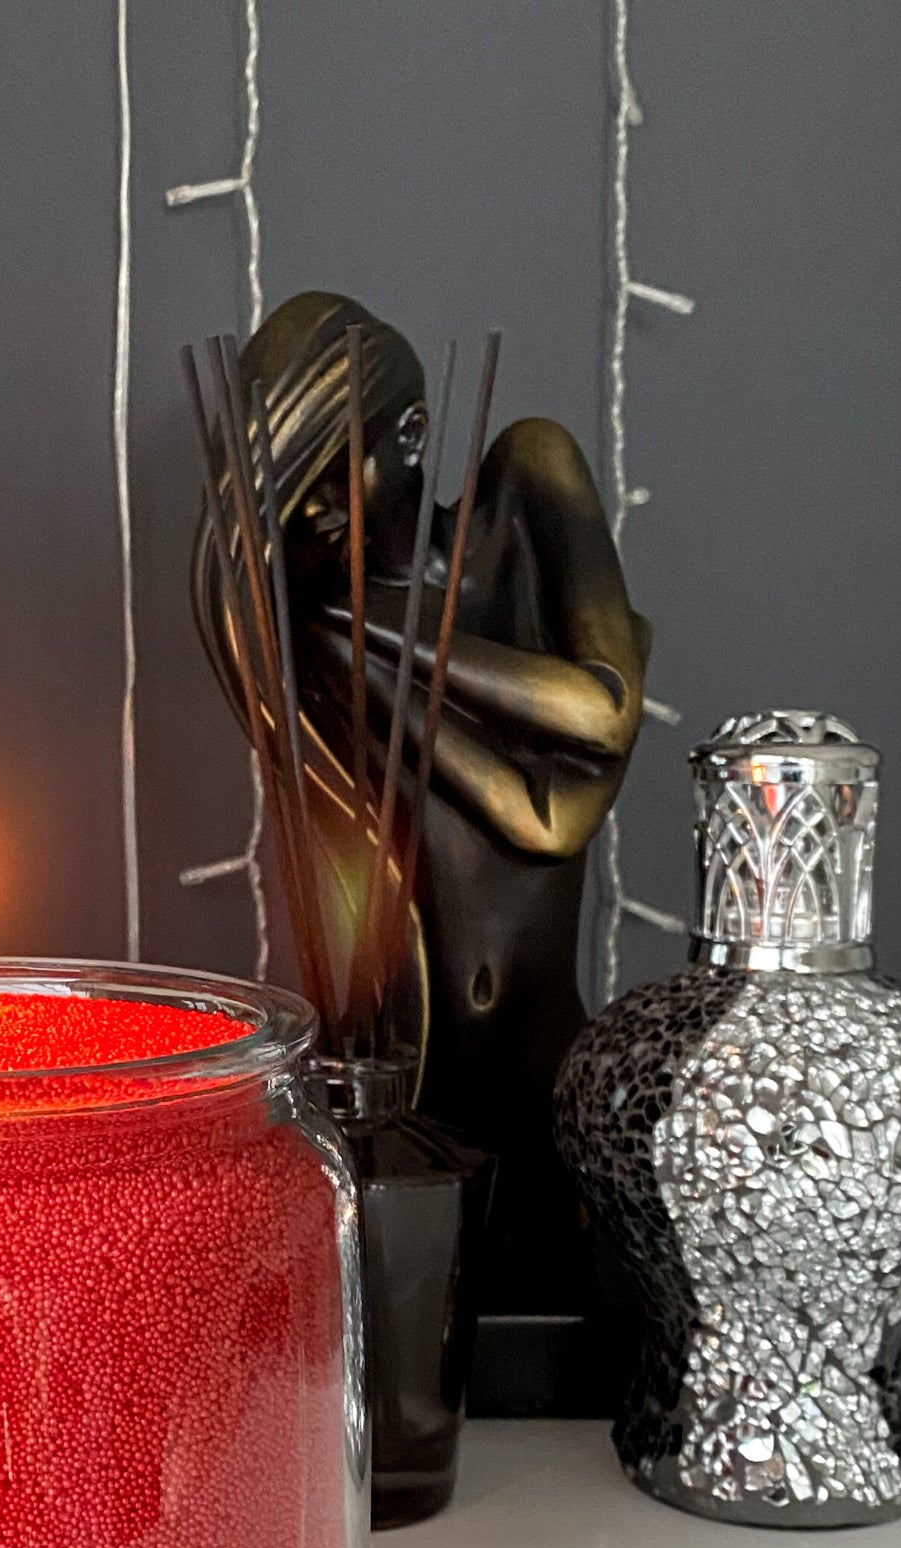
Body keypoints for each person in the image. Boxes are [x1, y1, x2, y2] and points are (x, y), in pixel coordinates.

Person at [191, 290, 652, 1407]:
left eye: (324, 474)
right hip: (407, 1103)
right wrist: (336, 631)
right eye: (286, 499)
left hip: (546, 1073)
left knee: (572, 1392)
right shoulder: (298, 631)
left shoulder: (521, 494)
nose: (309, 523)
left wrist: (368, 631)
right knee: (408, 1408)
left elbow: (593, 728)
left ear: (408, 436)